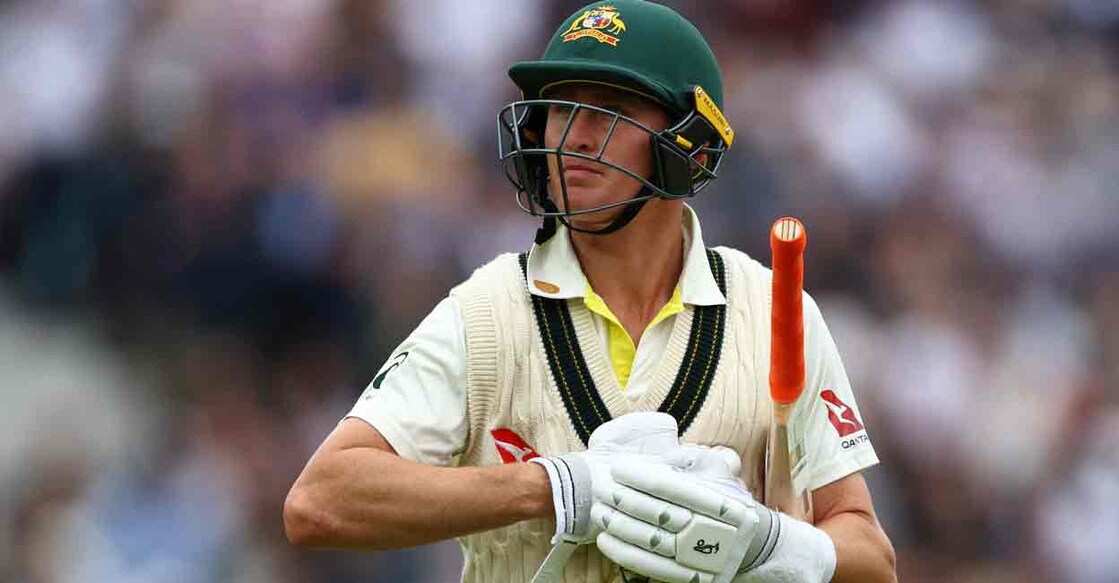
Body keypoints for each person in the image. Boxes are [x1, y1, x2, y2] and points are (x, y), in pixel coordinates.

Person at [283, 1, 896, 582]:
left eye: (608, 111)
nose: (572, 137)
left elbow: (872, 557)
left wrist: (774, 545)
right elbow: (320, 501)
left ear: (689, 143)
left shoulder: (772, 312)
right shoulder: (488, 312)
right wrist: (555, 487)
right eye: (561, 108)